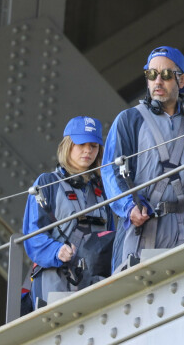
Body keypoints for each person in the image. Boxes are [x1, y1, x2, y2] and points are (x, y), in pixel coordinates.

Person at [101, 46, 184, 271]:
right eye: (152, 74)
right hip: (141, 231)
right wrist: (128, 207)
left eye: (166, 75)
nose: (157, 81)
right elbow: (111, 170)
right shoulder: (129, 119)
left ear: (182, 80)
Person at [23, 116, 114, 308]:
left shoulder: (104, 189)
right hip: (55, 279)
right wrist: (56, 251)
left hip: (96, 281)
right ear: (68, 145)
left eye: (93, 146)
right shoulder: (47, 183)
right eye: (81, 144)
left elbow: (112, 235)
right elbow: (33, 235)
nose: (88, 150)